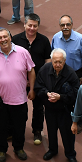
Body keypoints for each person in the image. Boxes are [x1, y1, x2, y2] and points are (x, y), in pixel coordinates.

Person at [0, 28, 36, 162]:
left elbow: (31, 71)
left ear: (10, 37)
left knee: (19, 126)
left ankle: (18, 148)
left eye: (5, 37)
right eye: (0, 38)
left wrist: (32, 89)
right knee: (0, 127)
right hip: (0, 99)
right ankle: (2, 150)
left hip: (19, 99)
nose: (3, 40)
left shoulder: (23, 52)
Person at [34, 49, 79, 162]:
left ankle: (70, 154)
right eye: (55, 62)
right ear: (51, 60)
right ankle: (52, 150)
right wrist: (47, 93)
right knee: (51, 131)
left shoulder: (71, 73)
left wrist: (60, 97)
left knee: (67, 134)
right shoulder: (44, 70)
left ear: (65, 61)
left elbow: (76, 93)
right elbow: (38, 87)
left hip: (65, 110)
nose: (57, 64)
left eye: (60, 62)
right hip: (49, 109)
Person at [12, 13, 52, 146]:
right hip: (20, 81)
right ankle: (17, 130)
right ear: (24, 25)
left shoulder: (44, 40)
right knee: (18, 107)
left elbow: (47, 61)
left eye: (35, 26)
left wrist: (41, 79)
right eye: (29, 25)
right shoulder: (15, 40)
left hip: (39, 82)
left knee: (38, 108)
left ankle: (37, 131)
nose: (32, 28)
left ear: (38, 27)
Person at [51, 15, 82, 84]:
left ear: (72, 25)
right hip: (58, 74)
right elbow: (52, 56)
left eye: (68, 24)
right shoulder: (55, 38)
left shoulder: (80, 39)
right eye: (63, 25)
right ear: (60, 26)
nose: (65, 27)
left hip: (76, 74)